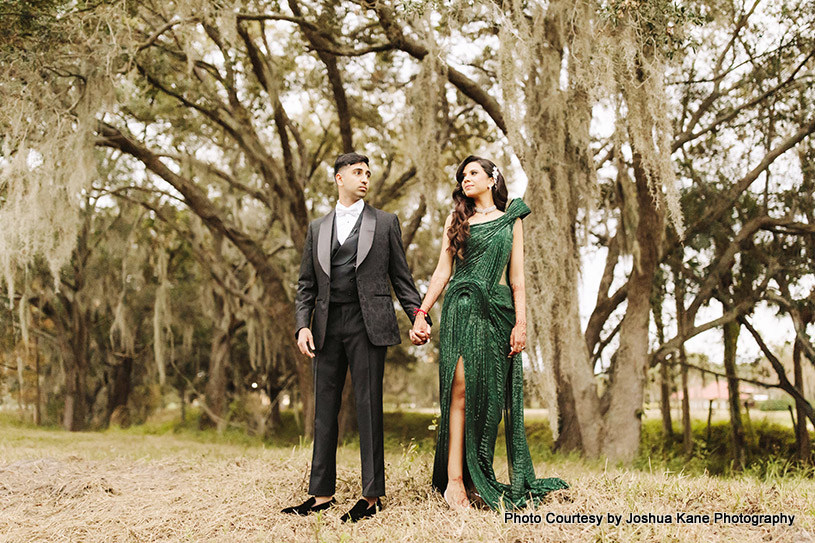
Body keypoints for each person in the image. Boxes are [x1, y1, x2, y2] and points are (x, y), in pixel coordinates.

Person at [410, 155, 568, 510]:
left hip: (498, 312)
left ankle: (477, 473)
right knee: (461, 389)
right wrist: (422, 312)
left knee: (490, 399)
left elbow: (517, 280)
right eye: (463, 175)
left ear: (491, 178)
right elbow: (441, 272)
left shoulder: (511, 219)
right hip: (462, 308)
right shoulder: (457, 219)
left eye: (473, 173)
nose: (466, 179)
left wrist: (521, 323)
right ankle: (454, 483)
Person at [283, 152, 431, 522]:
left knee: (368, 408)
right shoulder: (317, 227)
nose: (364, 178)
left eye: (367, 173)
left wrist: (417, 315)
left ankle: (372, 496)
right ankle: (320, 494)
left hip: (370, 324)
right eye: (356, 172)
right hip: (326, 326)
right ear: (338, 178)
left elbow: (402, 278)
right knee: (323, 412)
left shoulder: (384, 223)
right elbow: (305, 284)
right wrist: (302, 324)